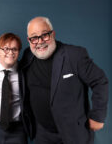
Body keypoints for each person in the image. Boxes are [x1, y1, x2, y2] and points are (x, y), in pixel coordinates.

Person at [20, 16, 109, 144]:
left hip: (73, 134)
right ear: (29, 40)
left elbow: (100, 81)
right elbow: (11, 64)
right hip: (43, 134)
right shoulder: (28, 56)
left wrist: (98, 116)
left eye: (44, 35)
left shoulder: (74, 55)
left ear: (53, 34)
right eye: (34, 38)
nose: (39, 42)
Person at [0, 33, 33, 144]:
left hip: (17, 131)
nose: (10, 52)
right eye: (6, 49)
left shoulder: (25, 70)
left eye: (15, 49)